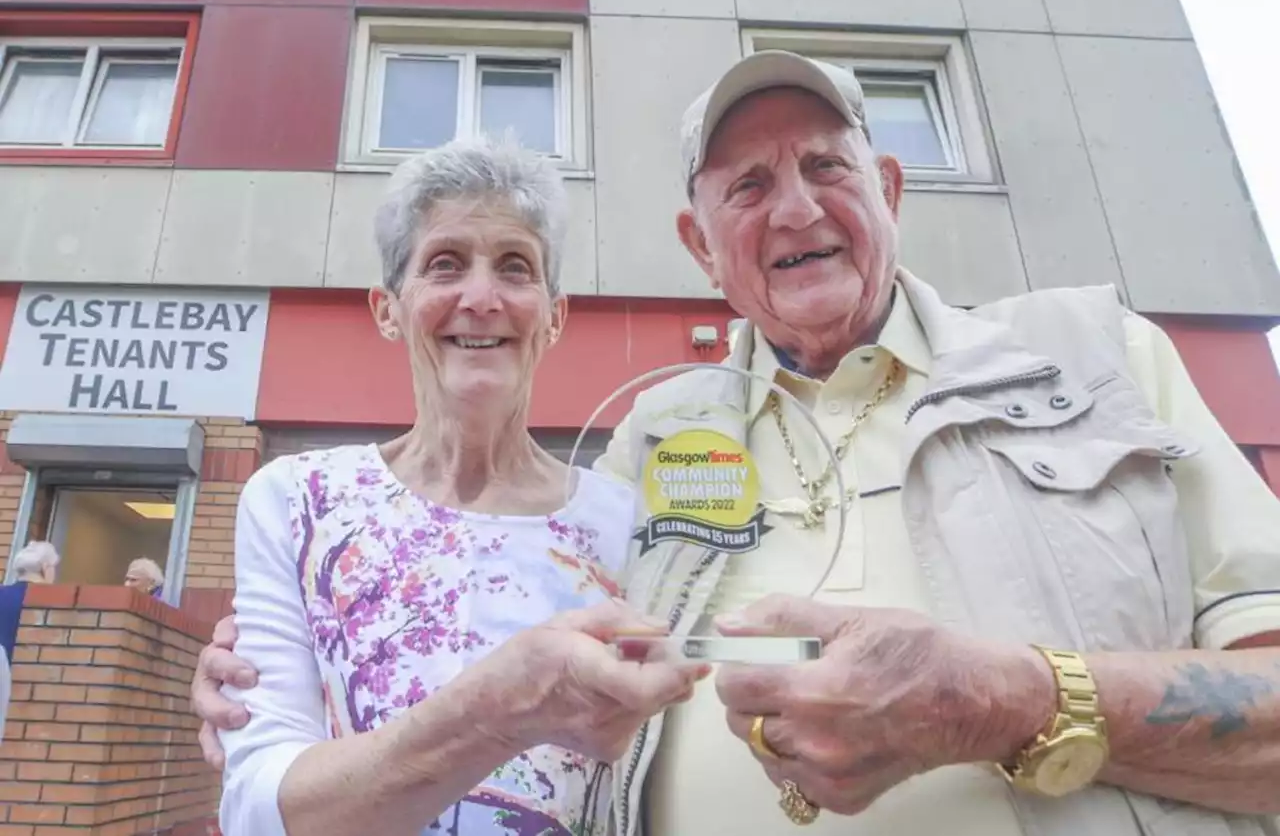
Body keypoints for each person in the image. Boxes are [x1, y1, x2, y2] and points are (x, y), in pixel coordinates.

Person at [193, 52, 1280, 836]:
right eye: (748, 185)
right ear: (700, 242)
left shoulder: (1088, 356)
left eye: (825, 166)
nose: (793, 204)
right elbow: (501, 625)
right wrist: (279, 696)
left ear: (887, 189)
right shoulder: (656, 439)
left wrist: (1004, 696)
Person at [212, 138, 707, 836]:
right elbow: (259, 808)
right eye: (445, 264)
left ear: (554, 315)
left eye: (515, 267)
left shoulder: (621, 521)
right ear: (389, 308)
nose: (481, 297)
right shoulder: (300, 500)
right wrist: (497, 708)